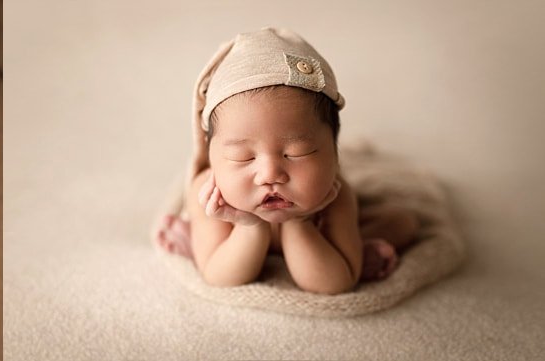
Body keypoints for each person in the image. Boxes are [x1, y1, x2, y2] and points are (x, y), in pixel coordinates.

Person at [156, 28, 419, 294]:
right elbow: (221, 277)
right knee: (208, 251)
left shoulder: (334, 195)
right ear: (213, 158)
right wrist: (251, 226)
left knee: (402, 223)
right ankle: (195, 238)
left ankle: (354, 252)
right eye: (242, 156)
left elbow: (335, 284)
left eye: (297, 153)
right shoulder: (211, 196)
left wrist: (300, 221)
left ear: (333, 155)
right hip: (231, 234)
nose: (270, 174)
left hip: (316, 225)